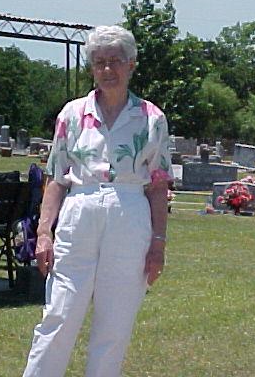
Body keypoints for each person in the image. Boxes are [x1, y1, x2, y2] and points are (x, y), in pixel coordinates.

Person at [22, 25, 174, 377]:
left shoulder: (152, 119)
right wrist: (45, 233)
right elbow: (57, 178)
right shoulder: (72, 115)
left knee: (115, 323)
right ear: (91, 67)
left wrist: (158, 243)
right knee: (59, 313)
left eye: (115, 61)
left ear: (132, 64)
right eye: (99, 62)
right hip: (80, 213)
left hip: (130, 213)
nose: (108, 70)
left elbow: (158, 184)